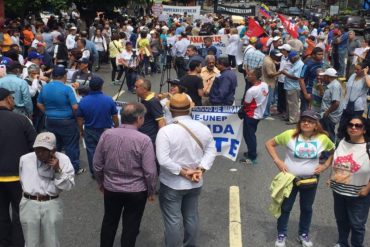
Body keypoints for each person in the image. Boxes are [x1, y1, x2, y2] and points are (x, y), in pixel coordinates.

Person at [265, 110, 335, 247]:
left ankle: (303, 234)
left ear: (316, 125)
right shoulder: (289, 135)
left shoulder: (322, 138)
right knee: (285, 207)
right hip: (290, 179)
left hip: (311, 180)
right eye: (304, 120)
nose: (306, 123)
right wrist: (277, 161)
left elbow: (334, 150)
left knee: (307, 208)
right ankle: (281, 235)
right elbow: (269, 144)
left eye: (310, 121)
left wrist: (326, 165)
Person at [93, 102, 158, 247]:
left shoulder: (107, 134)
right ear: (139, 118)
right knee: (131, 225)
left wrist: (101, 182)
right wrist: (151, 190)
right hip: (136, 190)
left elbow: (97, 164)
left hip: (111, 187)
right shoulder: (144, 140)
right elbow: (150, 171)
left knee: (109, 222)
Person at [156, 93, 216, 247]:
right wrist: (200, 169)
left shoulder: (165, 131)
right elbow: (211, 151)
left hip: (171, 183)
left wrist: (183, 172)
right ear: (190, 109)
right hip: (195, 182)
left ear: (170, 110)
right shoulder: (202, 128)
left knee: (173, 220)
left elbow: (163, 160)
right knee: (191, 217)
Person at [19, 132, 75, 247]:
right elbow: (22, 180)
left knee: (52, 242)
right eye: (37, 149)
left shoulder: (63, 159)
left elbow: (69, 186)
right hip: (29, 202)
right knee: (30, 243)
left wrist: (57, 170)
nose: (39, 153)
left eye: (44, 150)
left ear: (53, 150)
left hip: (52, 202)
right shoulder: (25, 159)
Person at [0, 88, 37, 247]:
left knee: (1, 215)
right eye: (12, 97)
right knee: (20, 214)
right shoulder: (21, 120)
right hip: (18, 177)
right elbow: (35, 147)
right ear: (7, 99)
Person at [330, 116, 370, 247]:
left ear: (364, 130)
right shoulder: (341, 142)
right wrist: (331, 177)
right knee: (341, 220)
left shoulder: (368, 146)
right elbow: (337, 162)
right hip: (338, 190)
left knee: (357, 224)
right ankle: (342, 242)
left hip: (359, 193)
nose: (353, 128)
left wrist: (368, 188)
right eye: (351, 125)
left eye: (358, 126)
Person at [37, 65, 85, 175]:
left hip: (50, 120)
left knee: (55, 145)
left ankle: (55, 165)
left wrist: (47, 112)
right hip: (66, 121)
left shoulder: (45, 87)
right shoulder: (67, 88)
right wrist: (78, 122)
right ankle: (74, 168)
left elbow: (39, 104)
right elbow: (75, 107)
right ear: (64, 76)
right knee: (71, 146)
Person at [77, 76, 119, 178]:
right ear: (101, 87)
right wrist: (117, 127)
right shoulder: (108, 100)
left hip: (90, 129)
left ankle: (95, 173)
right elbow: (114, 116)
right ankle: (107, 171)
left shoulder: (83, 101)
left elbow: (79, 119)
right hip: (106, 130)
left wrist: (81, 130)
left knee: (91, 151)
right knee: (106, 151)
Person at [240, 68, 269, 165]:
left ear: (255, 77)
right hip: (259, 114)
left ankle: (251, 157)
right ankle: (250, 152)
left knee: (249, 136)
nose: (247, 76)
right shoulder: (264, 85)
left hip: (250, 115)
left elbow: (246, 103)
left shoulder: (251, 91)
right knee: (251, 134)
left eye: (249, 75)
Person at [338, 65, 370, 140]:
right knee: (343, 125)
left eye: (358, 69)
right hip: (346, 105)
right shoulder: (353, 75)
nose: (356, 71)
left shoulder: (367, 77)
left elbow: (369, 85)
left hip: (358, 107)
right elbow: (347, 88)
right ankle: (341, 140)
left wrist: (365, 74)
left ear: (364, 69)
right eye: (355, 69)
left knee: (354, 125)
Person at [135, 77, 165, 144]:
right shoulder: (144, 99)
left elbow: (161, 121)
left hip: (150, 139)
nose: (135, 89)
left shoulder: (153, 102)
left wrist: (160, 141)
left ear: (144, 89)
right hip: (143, 136)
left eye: (136, 87)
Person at [281, 51, 304, 125]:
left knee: (293, 104)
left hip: (294, 87)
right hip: (289, 86)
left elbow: (296, 77)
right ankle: (288, 116)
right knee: (289, 103)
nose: (289, 60)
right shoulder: (295, 63)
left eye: (290, 59)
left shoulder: (300, 64)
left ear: (294, 58)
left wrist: (286, 74)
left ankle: (293, 119)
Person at [319, 68, 342, 142]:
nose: (323, 78)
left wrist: (327, 112)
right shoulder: (331, 85)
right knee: (324, 133)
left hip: (330, 116)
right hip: (327, 115)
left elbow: (336, 103)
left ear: (328, 77)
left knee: (329, 134)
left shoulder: (334, 86)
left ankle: (330, 152)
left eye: (324, 76)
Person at [299, 47, 324, 112]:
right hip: (308, 91)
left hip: (318, 92)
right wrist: (305, 94)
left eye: (322, 54)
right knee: (305, 112)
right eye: (319, 54)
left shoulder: (322, 63)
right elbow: (301, 79)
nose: (321, 56)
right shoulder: (307, 65)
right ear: (313, 55)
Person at [262, 49, 282, 118]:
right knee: (268, 99)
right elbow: (270, 74)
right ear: (273, 55)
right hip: (268, 83)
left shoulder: (268, 58)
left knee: (266, 99)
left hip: (266, 82)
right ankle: (265, 114)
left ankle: (265, 113)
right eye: (277, 56)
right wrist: (280, 72)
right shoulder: (269, 62)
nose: (278, 57)